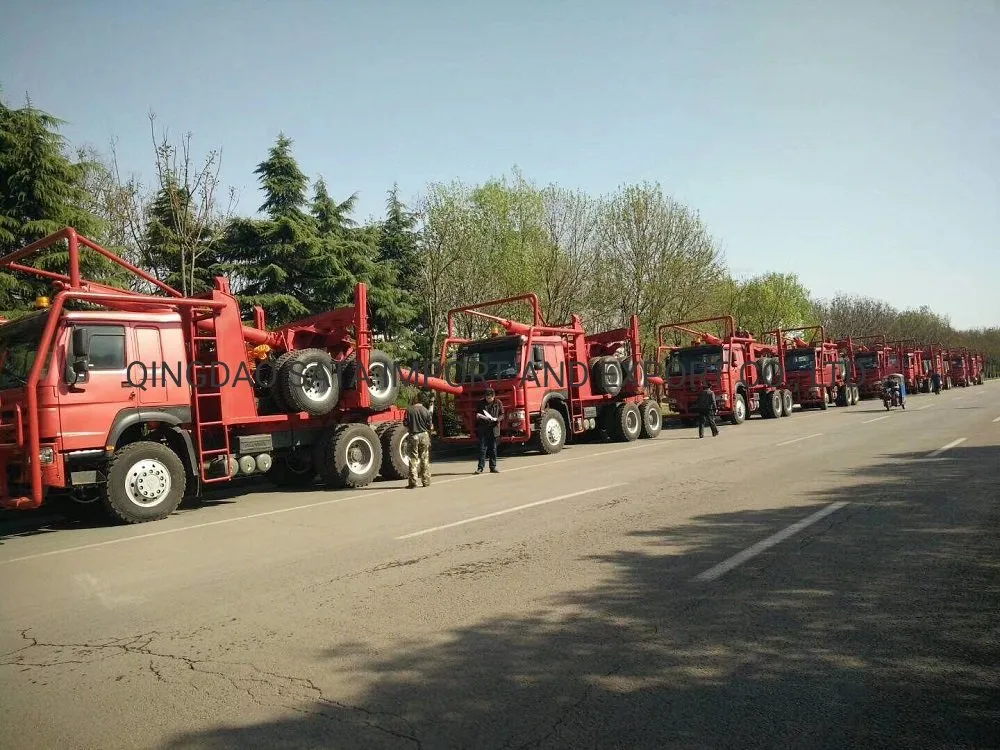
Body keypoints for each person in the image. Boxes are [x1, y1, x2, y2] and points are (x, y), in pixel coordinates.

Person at [403, 393, 434, 489]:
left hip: (413, 435)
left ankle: (413, 482)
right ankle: (426, 481)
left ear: (414, 400)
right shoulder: (425, 411)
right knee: (424, 458)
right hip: (424, 435)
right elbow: (430, 426)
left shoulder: (409, 410)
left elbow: (405, 423)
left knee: (413, 458)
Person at [475, 387, 504, 474]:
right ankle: (480, 468)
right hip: (483, 428)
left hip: (494, 428)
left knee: (493, 448)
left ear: (493, 396)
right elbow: (477, 414)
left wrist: (497, 419)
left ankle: (493, 467)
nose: (488, 400)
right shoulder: (481, 403)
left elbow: (502, 414)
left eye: (490, 398)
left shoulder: (498, 403)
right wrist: (481, 417)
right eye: (487, 398)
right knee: (482, 449)